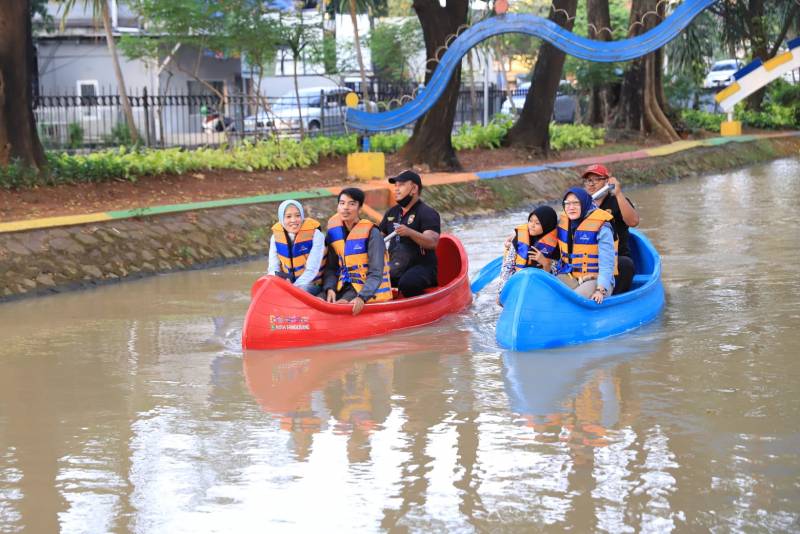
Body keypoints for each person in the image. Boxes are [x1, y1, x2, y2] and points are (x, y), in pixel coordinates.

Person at [323, 187, 393, 316]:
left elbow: (376, 272)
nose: (345, 208)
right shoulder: (333, 232)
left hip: (363, 288)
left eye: (352, 204)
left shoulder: (373, 233)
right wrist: (330, 288)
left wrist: (362, 297)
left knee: (341, 305)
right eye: (342, 203)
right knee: (319, 299)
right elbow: (331, 268)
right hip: (340, 285)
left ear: (360, 208)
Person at [378, 170, 441, 298]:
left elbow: (432, 242)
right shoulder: (391, 213)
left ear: (414, 189)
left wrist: (410, 232)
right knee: (372, 280)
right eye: (395, 185)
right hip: (396, 266)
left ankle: (422, 303)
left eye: (401, 185)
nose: (396, 189)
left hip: (422, 268)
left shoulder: (427, 213)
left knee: (408, 284)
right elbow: (378, 237)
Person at [581, 164, 639, 294]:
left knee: (625, 264)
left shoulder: (617, 200)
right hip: (590, 260)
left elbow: (633, 222)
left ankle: (612, 296)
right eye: (588, 180)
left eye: (597, 179)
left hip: (616, 258)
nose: (591, 184)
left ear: (607, 181)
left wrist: (618, 193)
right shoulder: (581, 205)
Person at [556, 187, 618, 304]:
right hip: (571, 277)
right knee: (547, 291)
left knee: (573, 301)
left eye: (576, 203)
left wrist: (600, 290)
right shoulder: (563, 221)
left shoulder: (603, 227)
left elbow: (607, 264)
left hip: (597, 280)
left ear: (584, 203)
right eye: (567, 203)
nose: (571, 207)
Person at [267, 199, 325, 295]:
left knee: (303, 289)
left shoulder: (317, 235)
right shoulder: (275, 237)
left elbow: (312, 270)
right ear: (281, 219)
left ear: (302, 216)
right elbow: (273, 268)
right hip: (287, 283)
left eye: (297, 216)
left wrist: (292, 288)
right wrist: (279, 282)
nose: (293, 220)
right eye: (288, 217)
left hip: (311, 283)